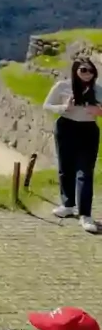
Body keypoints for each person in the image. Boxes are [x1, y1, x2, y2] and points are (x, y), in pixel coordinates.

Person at [45, 58, 102, 233]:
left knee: (85, 171)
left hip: (88, 129)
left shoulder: (98, 90)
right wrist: (64, 107)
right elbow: (47, 105)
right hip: (66, 126)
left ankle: (85, 214)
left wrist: (98, 111)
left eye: (91, 71)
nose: (87, 74)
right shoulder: (63, 86)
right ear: (76, 70)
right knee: (65, 166)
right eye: (83, 70)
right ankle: (68, 204)